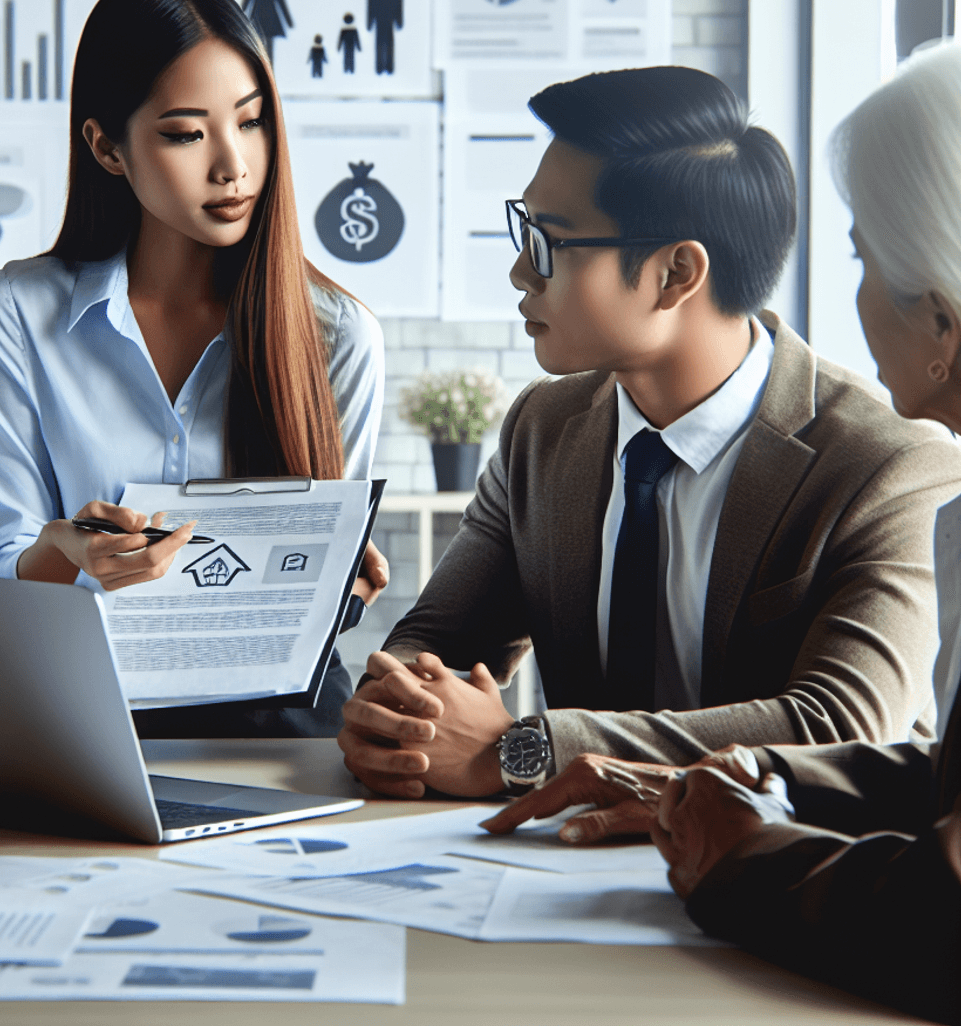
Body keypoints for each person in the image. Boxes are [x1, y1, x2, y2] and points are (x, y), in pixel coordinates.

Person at [338, 65, 961, 799]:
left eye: (548, 242)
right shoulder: (543, 430)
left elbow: (843, 725)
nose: (518, 271)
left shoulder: (888, 464)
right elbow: (438, 639)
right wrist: (403, 712)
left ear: (675, 274)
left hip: (785, 883)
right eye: (523, 228)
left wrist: (527, 749)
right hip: (551, 870)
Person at [629, 44, 961, 1026]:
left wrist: (745, 854)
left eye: (861, 259)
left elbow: (945, 920)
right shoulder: (541, 433)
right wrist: (776, 779)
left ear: (940, 320)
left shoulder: (880, 458)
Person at [0, 0, 386, 738]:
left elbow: (315, 597)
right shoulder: (21, 313)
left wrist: (336, 588)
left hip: (278, 714)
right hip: (80, 702)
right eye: (186, 133)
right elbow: (4, 570)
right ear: (107, 147)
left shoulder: (337, 333)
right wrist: (67, 553)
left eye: (252, 121)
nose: (233, 166)